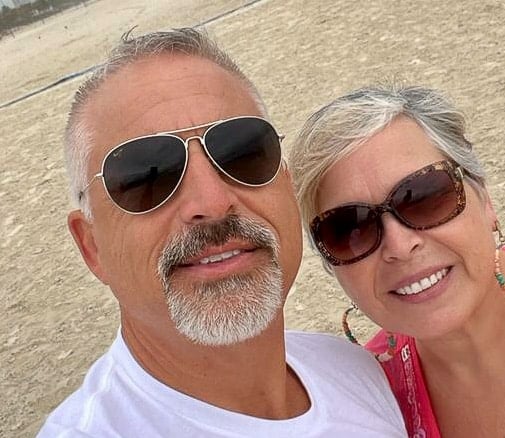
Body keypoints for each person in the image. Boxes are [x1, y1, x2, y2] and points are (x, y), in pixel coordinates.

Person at [37, 28, 407, 437]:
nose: (211, 202)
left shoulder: (355, 373)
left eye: (242, 153)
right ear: (92, 247)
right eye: (146, 176)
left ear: (286, 183)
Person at [289, 83, 505, 437]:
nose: (399, 245)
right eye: (350, 228)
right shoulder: (365, 410)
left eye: (425, 196)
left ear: (485, 198)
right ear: (330, 264)